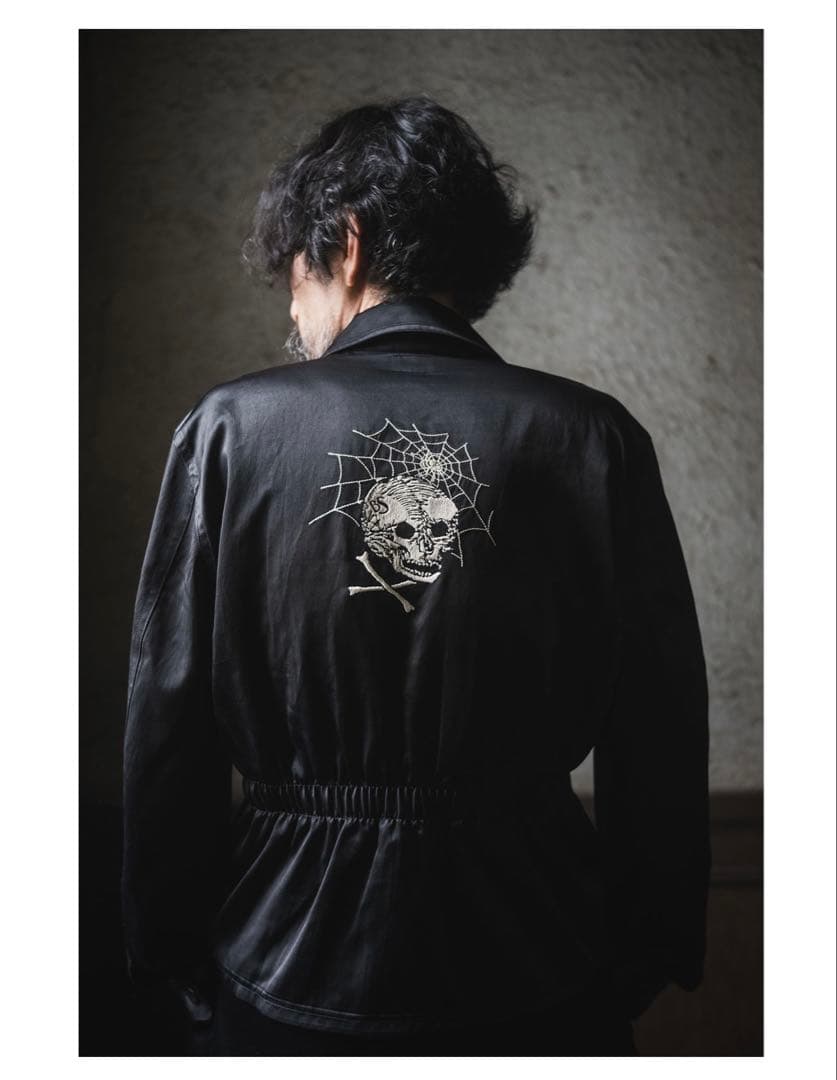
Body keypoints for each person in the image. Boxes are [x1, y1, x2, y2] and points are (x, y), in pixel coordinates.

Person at [121, 94, 711, 1057]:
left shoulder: (227, 430)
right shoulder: (593, 437)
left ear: (347, 243)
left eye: (295, 273)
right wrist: (651, 945)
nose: (293, 308)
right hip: (540, 952)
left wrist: (170, 954)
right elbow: (658, 720)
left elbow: (169, 722)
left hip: (280, 957)